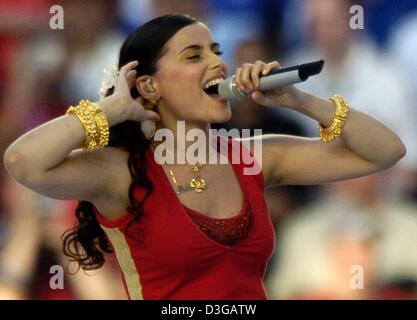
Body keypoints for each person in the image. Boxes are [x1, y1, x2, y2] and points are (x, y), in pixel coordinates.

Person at [3, 14, 406, 300]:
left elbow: (386, 151)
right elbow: (22, 161)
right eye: (194, 55)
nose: (218, 62)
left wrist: (298, 100)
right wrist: (111, 110)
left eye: (216, 50)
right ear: (148, 84)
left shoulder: (253, 156)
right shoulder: (120, 171)